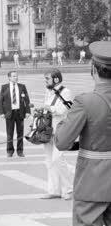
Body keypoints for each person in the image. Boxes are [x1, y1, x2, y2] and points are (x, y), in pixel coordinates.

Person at [54, 41, 111, 226]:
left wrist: (63, 121)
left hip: (91, 184)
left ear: (93, 69)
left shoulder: (85, 102)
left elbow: (61, 141)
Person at [40, 69, 74, 200]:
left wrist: (50, 108)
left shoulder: (66, 92)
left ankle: (69, 189)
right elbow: (45, 108)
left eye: (47, 78)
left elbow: (65, 109)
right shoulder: (48, 92)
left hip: (60, 130)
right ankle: (54, 190)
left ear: (56, 79)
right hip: (47, 130)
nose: (46, 81)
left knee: (57, 159)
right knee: (49, 160)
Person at [0, 70, 31, 157]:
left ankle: (20, 151)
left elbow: (27, 100)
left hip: (20, 113)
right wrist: (2, 112)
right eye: (13, 76)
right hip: (9, 113)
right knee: (10, 134)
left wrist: (28, 111)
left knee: (20, 133)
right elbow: (1, 101)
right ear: (9, 77)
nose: (16, 77)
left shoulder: (22, 87)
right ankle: (10, 151)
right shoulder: (4, 87)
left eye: (16, 76)